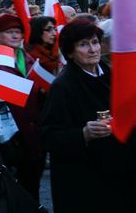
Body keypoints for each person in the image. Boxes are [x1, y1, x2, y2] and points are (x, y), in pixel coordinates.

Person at [41, 19, 136, 213]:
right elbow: (48, 136)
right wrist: (83, 134)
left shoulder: (112, 74)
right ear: (70, 52)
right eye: (83, 44)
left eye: (95, 42)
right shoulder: (63, 86)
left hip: (121, 175)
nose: (93, 49)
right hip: (86, 181)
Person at [0, 13, 43, 200]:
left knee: (32, 187)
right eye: (10, 32)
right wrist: (41, 87)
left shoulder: (27, 57)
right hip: (13, 134)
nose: (15, 36)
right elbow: (14, 96)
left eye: (18, 32)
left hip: (33, 131)